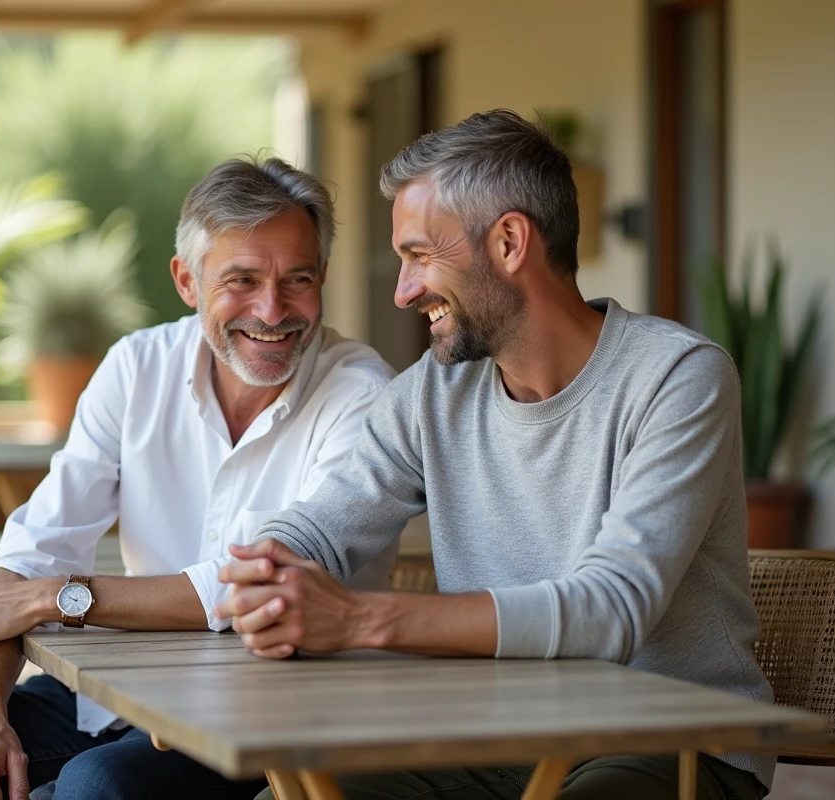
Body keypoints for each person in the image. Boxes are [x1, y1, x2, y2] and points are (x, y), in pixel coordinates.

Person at [0, 157, 397, 800]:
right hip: (114, 701)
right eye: (241, 279)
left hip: (264, 724)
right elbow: (31, 551)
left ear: (322, 278)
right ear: (187, 280)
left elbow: (261, 588)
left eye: (298, 278)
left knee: (90, 789)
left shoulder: (361, 395)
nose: (272, 309)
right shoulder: (137, 367)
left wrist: (52, 597)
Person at [216, 110, 774, 800]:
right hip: (491, 737)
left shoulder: (677, 377)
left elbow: (612, 610)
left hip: (669, 743)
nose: (403, 289)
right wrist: (271, 567)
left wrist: (362, 620)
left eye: (420, 255)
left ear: (509, 241)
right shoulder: (432, 394)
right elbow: (323, 525)